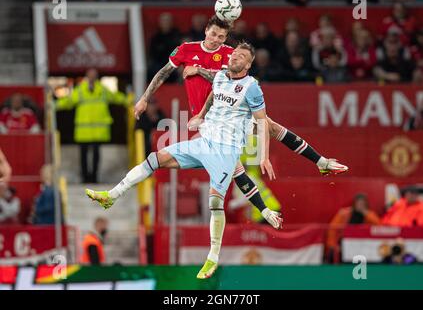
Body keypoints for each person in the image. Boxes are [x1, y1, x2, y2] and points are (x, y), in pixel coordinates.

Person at [133, 15, 347, 229]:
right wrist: (143, 99)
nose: (217, 39)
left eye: (222, 36)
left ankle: (320, 163)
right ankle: (264, 210)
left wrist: (199, 71)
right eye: (214, 34)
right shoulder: (187, 49)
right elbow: (163, 72)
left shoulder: (230, 54)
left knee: (268, 128)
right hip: (208, 119)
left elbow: (233, 78)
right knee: (235, 168)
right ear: (206, 30)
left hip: (229, 111)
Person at [86, 43, 276, 279]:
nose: (235, 55)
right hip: (204, 142)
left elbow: (262, 122)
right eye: (235, 52)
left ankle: (212, 258)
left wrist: (264, 156)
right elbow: (211, 96)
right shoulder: (219, 77)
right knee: (156, 158)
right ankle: (112, 196)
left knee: (215, 203)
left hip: (226, 151)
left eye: (242, 56)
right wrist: (200, 115)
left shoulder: (252, 87)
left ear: (248, 64)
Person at [56, 68, 128, 183]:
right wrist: (55, 105)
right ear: (86, 76)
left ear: (97, 77)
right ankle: (85, 178)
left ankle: (94, 177)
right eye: (90, 75)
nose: (92, 77)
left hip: (98, 131)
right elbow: (69, 101)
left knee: (96, 156)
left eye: (94, 75)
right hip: (84, 131)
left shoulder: (103, 90)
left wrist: (130, 100)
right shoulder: (80, 90)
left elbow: (116, 97)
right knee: (83, 156)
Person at [326, 193, 380, 263]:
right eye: (359, 203)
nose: (360, 205)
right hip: (344, 244)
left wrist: (365, 212)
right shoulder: (344, 214)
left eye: (362, 204)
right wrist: (333, 245)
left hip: (363, 245)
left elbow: (378, 225)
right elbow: (332, 230)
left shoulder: (369, 215)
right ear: (354, 204)